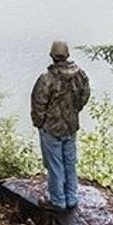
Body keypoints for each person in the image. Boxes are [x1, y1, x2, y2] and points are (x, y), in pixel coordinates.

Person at [30, 40, 90, 212]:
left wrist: (40, 123)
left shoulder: (47, 78)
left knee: (55, 165)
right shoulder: (80, 75)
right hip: (70, 126)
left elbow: (38, 103)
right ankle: (71, 197)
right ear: (68, 55)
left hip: (52, 128)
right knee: (70, 162)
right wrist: (75, 110)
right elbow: (85, 94)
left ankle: (57, 200)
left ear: (52, 56)